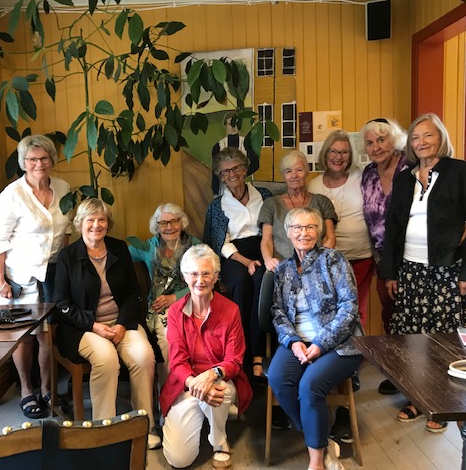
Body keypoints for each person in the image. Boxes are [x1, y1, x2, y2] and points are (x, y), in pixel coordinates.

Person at [380, 113, 466, 433]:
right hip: (410, 270)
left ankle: (441, 404)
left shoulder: (461, 171)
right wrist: (391, 273)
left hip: (446, 270)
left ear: (441, 138)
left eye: (428, 135)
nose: (421, 142)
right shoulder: (405, 178)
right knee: (411, 339)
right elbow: (392, 227)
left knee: (443, 340)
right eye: (415, 137)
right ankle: (416, 398)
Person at [52, 198, 160, 449]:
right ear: (80, 224)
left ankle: (144, 425)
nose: (96, 225)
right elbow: (61, 303)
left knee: (144, 356)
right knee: (106, 359)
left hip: (121, 323)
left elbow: (133, 293)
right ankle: (104, 431)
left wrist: (122, 324)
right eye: (90, 220)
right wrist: (94, 326)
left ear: (108, 224)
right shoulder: (68, 256)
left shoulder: (118, 248)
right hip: (83, 328)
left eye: (101, 219)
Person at [268, 207, 363, 470]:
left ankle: (316, 462)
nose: (304, 233)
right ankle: (322, 440)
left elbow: (349, 307)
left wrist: (321, 343)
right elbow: (277, 311)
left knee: (309, 386)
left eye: (310, 227)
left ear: (319, 231)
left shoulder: (333, 260)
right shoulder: (284, 269)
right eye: (297, 227)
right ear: (288, 232)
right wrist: (293, 341)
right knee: (278, 378)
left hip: (340, 343)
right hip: (298, 342)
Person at [0, 134, 72, 419]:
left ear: (52, 160)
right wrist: (0, 280)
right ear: (23, 162)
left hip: (52, 273)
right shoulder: (12, 194)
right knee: (23, 335)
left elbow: (67, 230)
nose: (39, 164)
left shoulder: (63, 188)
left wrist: (66, 267)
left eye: (44, 158)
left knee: (46, 335)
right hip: (19, 277)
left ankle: (48, 390)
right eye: (32, 159)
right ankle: (26, 390)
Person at [161, 244, 252, 469]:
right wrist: (197, 385)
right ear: (185, 277)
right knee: (178, 460)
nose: (200, 280)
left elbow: (234, 360)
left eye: (206, 273)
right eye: (193, 274)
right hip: (187, 385)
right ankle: (207, 409)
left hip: (221, 380)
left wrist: (211, 376)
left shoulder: (230, 310)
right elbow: (177, 361)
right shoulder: (175, 312)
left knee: (219, 392)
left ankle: (219, 440)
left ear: (216, 276)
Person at [203, 147, 271, 380]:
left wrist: (263, 257)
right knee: (240, 283)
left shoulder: (264, 195)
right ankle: (240, 354)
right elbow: (219, 241)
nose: (231, 174)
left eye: (236, 168)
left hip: (263, 248)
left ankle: (258, 355)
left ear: (245, 169)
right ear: (220, 176)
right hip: (233, 255)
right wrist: (246, 261)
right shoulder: (217, 205)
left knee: (262, 282)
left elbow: (273, 229)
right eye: (225, 171)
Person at [358, 118, 408, 396]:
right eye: (370, 142)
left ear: (394, 139)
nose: (376, 147)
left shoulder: (411, 166)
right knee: (391, 316)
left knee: (414, 318)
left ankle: (421, 378)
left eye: (381, 139)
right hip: (382, 258)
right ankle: (398, 374)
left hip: (413, 256)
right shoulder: (367, 174)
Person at [127, 203, 201, 387]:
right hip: (161, 307)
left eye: (174, 221)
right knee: (169, 339)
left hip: (193, 301)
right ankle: (171, 392)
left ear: (182, 222)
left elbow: (205, 277)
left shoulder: (195, 247)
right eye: (163, 223)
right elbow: (121, 254)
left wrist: (175, 297)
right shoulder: (150, 247)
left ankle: (198, 387)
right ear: (157, 226)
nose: (169, 227)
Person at [308, 130, 373, 327]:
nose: (338, 157)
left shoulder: (361, 177)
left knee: (357, 309)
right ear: (325, 153)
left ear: (350, 156)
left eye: (344, 152)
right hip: (328, 260)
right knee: (332, 309)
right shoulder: (313, 185)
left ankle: (357, 346)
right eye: (333, 151)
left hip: (360, 255)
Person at [259, 150, 337, 274]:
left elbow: (330, 236)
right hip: (282, 269)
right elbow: (266, 240)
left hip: (317, 269)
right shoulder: (271, 204)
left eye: (299, 170)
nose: (294, 175)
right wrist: (268, 260)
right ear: (283, 176)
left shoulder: (322, 201)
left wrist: (319, 262)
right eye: (288, 171)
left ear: (307, 172)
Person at [211, 112, 260, 195]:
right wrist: (215, 192)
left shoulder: (246, 143)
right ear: (225, 126)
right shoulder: (219, 146)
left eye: (236, 124)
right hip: (225, 188)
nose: (233, 127)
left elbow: (255, 164)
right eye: (230, 124)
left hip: (244, 186)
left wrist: (241, 175)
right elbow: (215, 171)